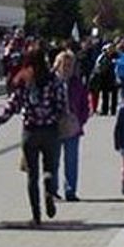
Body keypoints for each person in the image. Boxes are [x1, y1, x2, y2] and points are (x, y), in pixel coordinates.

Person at [0, 46, 67, 227]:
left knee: (32, 176)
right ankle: (49, 189)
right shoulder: (54, 80)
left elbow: (11, 106)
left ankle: (36, 215)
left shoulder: (23, 80)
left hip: (30, 131)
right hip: (50, 130)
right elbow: (61, 105)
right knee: (51, 168)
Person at [51, 49, 90, 202]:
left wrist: (80, 120)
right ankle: (52, 191)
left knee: (71, 160)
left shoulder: (77, 83)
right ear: (58, 65)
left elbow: (84, 104)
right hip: (54, 126)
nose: (68, 68)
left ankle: (70, 190)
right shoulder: (51, 82)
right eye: (65, 65)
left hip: (73, 126)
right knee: (53, 160)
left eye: (70, 65)